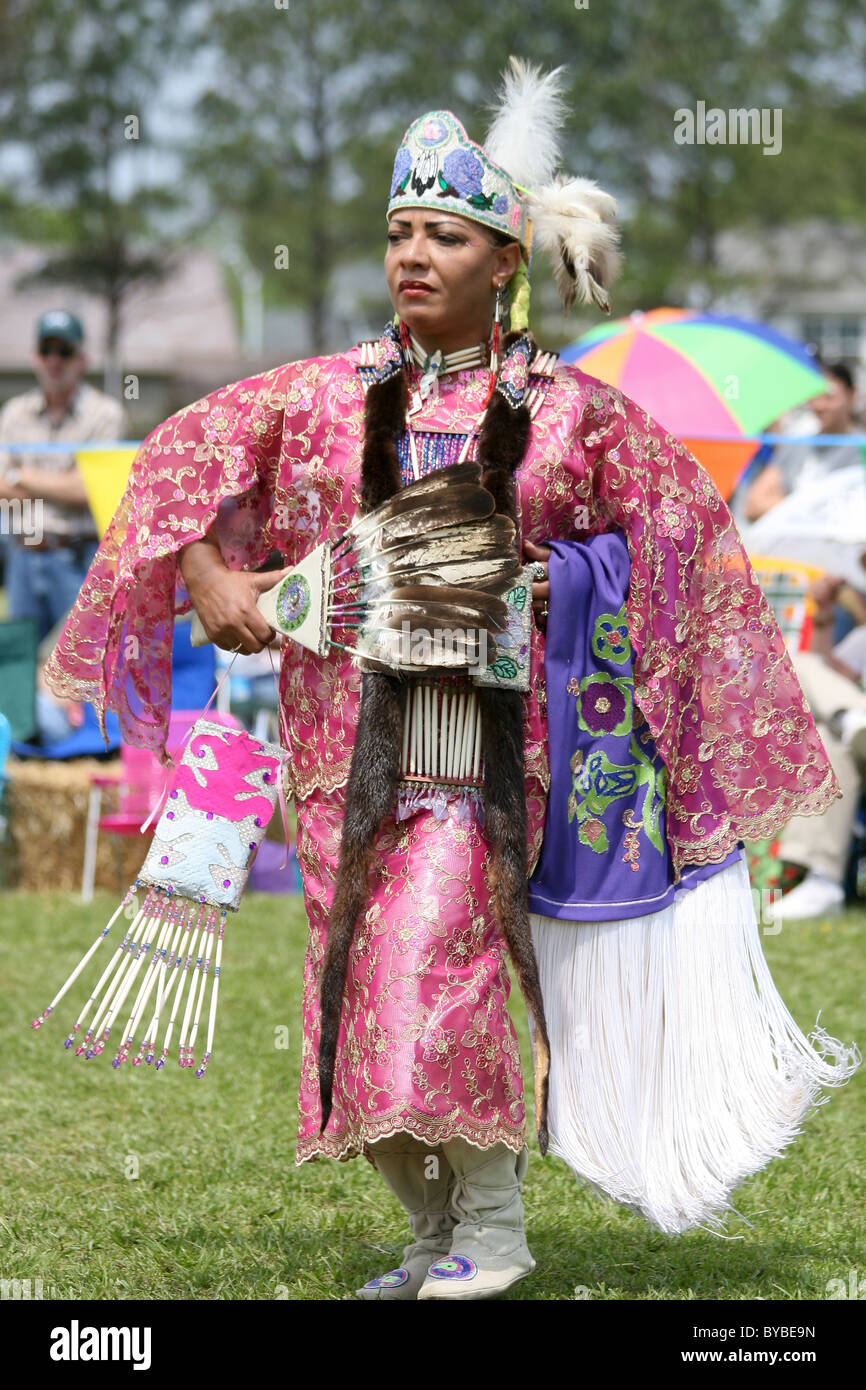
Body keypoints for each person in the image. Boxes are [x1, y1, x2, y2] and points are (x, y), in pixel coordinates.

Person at [43, 61, 858, 1297]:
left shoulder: (574, 416)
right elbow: (168, 468)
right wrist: (215, 573)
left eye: (442, 233)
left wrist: (562, 581)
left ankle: (493, 1215)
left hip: (488, 757)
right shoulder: (317, 400)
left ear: (503, 259)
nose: (411, 253)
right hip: (339, 755)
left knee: (430, 955)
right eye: (396, 232)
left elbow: (683, 542)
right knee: (351, 991)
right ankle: (432, 1229)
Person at [0, 310, 127, 640]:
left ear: (82, 359)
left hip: (79, 560)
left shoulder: (106, 414)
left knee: (79, 669)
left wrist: (21, 475)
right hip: (22, 556)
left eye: (64, 352)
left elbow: (89, 489)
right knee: (22, 666)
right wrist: (61, 483)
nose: (54, 361)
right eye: (46, 351)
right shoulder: (14, 412)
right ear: (35, 357)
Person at [743, 361, 862, 523]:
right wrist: (808, 507)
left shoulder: (861, 450)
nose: (820, 405)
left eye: (829, 397)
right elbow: (754, 505)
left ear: (852, 394)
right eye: (814, 396)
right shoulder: (796, 446)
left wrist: (787, 503)